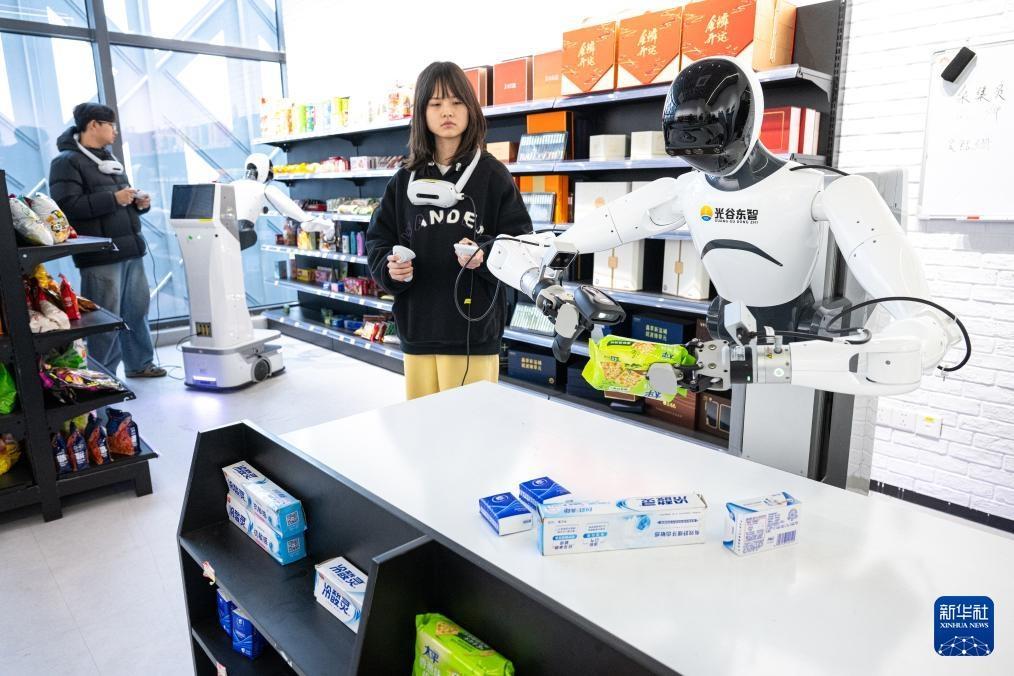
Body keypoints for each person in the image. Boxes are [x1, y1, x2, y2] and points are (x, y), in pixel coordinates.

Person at [367, 62, 533, 400]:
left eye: (457, 102)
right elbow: (378, 240)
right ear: (421, 112)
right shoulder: (403, 180)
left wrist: (485, 255)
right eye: (436, 103)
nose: (447, 112)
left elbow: (520, 242)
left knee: (471, 425)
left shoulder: (492, 175)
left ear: (471, 109)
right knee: (423, 424)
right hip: (418, 328)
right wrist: (390, 268)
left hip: (472, 330)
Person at [49, 103, 166, 378]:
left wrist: (138, 204)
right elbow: (67, 207)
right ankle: (103, 377)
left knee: (136, 311)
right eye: (111, 125)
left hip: (129, 248)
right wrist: (113, 199)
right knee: (104, 319)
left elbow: (120, 200)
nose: (115, 131)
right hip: (100, 254)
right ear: (93, 125)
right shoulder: (66, 162)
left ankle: (139, 364)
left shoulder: (108, 158)